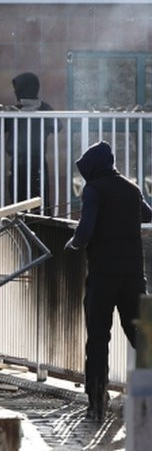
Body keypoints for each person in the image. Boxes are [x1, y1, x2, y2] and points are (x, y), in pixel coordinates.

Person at [65, 141, 152, 421]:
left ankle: (97, 402)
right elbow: (148, 216)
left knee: (99, 338)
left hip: (103, 276)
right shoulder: (132, 189)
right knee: (142, 338)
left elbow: (86, 230)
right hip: (133, 276)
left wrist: (73, 244)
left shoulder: (93, 190)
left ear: (93, 167)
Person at [2, 72, 60, 214]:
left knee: (40, 203)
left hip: (37, 162)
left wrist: (37, 114)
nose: (16, 93)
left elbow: (58, 126)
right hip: (18, 162)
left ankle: (41, 233)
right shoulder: (16, 110)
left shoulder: (44, 108)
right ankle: (21, 233)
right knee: (17, 201)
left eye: (19, 89)